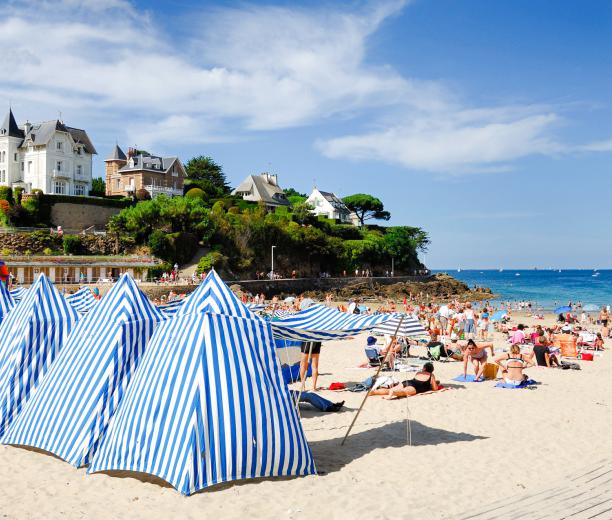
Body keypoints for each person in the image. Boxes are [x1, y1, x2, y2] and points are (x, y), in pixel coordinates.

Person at [369, 362, 438, 399]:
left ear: (425, 368)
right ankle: (393, 393)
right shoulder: (431, 375)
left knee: (390, 389)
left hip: (408, 381)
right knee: (403, 392)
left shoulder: (419, 372)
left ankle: (374, 392)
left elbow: (418, 380)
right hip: (415, 387)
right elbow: (435, 388)